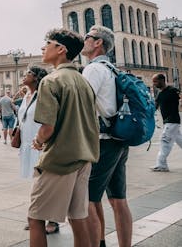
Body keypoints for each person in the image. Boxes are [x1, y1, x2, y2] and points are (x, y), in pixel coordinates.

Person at [28, 28, 99, 247]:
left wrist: (39, 141)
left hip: (60, 160)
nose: (43, 47)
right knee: (78, 218)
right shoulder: (82, 81)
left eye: (47, 43)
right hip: (84, 158)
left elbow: (48, 127)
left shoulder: (51, 81)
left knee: (36, 218)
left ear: (61, 49)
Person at [81, 25, 132, 247]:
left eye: (87, 37)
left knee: (87, 200)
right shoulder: (111, 69)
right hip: (119, 139)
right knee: (118, 200)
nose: (84, 41)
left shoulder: (93, 69)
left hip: (102, 141)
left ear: (98, 42)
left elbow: (82, 105)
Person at [17, 66, 54, 232]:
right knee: (37, 183)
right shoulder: (26, 95)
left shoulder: (42, 95)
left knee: (44, 183)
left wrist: (42, 139)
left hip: (40, 143)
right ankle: (36, 217)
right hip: (28, 144)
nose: (25, 75)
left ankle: (51, 220)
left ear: (37, 78)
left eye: (29, 73)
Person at [150, 73, 181, 172]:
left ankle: (161, 164)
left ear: (162, 80)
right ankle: (161, 165)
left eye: (155, 81)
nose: (154, 84)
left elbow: (180, 99)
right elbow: (155, 106)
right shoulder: (160, 94)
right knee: (180, 140)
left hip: (172, 120)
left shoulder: (172, 91)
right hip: (168, 121)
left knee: (165, 141)